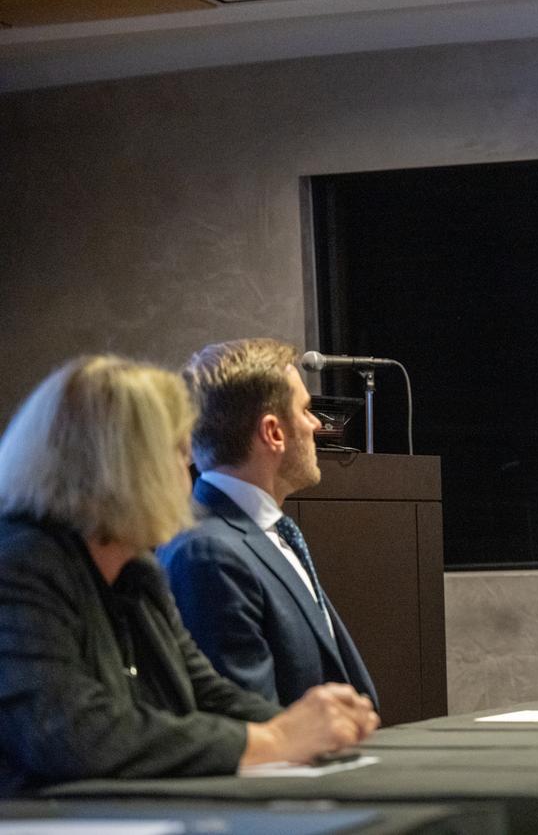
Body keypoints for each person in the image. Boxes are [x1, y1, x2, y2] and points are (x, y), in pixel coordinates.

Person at [0, 356, 379, 796]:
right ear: (123, 468)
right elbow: (72, 731)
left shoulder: (135, 569)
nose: (189, 473)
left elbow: (204, 692)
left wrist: (306, 725)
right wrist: (273, 741)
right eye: (180, 453)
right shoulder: (20, 566)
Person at [157, 339, 378, 709]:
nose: (317, 424)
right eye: (306, 410)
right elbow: (248, 723)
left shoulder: (269, 532)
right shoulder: (208, 552)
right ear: (273, 433)